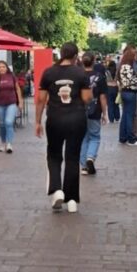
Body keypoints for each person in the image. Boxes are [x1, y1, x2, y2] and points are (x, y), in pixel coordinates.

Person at [35, 42, 92, 213]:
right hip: (76, 118)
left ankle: (56, 189)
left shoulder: (49, 72)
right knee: (73, 157)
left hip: (55, 118)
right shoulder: (81, 72)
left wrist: (37, 121)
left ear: (60, 54)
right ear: (75, 57)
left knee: (53, 155)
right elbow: (87, 98)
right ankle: (72, 199)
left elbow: (40, 99)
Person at [80, 51, 109, 176]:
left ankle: (84, 167)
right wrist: (105, 113)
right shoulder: (100, 77)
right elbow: (103, 97)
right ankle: (90, 157)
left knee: (82, 138)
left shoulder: (77, 76)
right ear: (94, 61)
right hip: (94, 110)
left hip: (79, 110)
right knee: (95, 136)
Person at [0, 59, 23, 153]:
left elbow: (17, 89)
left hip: (11, 103)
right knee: (2, 124)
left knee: (8, 122)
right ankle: (3, 143)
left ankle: (9, 144)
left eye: (3, 67)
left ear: (6, 68)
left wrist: (20, 101)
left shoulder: (11, 76)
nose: (1, 69)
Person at [116, 46, 137, 146]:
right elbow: (130, 81)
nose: (135, 56)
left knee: (125, 115)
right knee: (129, 116)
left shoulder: (122, 65)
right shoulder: (127, 66)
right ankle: (131, 139)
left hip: (125, 92)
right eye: (134, 55)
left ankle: (123, 137)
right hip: (129, 92)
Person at [105, 59, 120, 123]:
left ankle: (111, 118)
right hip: (115, 87)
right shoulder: (117, 71)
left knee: (110, 104)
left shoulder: (106, 72)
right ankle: (117, 117)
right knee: (116, 103)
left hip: (108, 88)